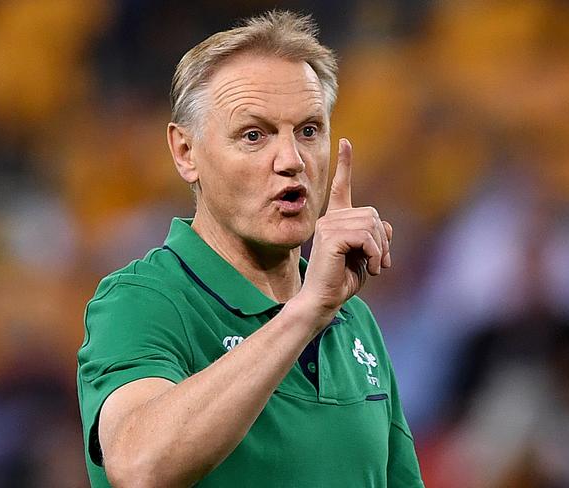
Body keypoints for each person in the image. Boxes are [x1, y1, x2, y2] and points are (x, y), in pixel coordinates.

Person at [77, 10, 424, 488]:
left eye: (308, 130)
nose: (291, 161)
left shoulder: (354, 321)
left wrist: (317, 306)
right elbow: (140, 466)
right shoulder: (142, 299)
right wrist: (305, 313)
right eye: (254, 135)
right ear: (186, 152)